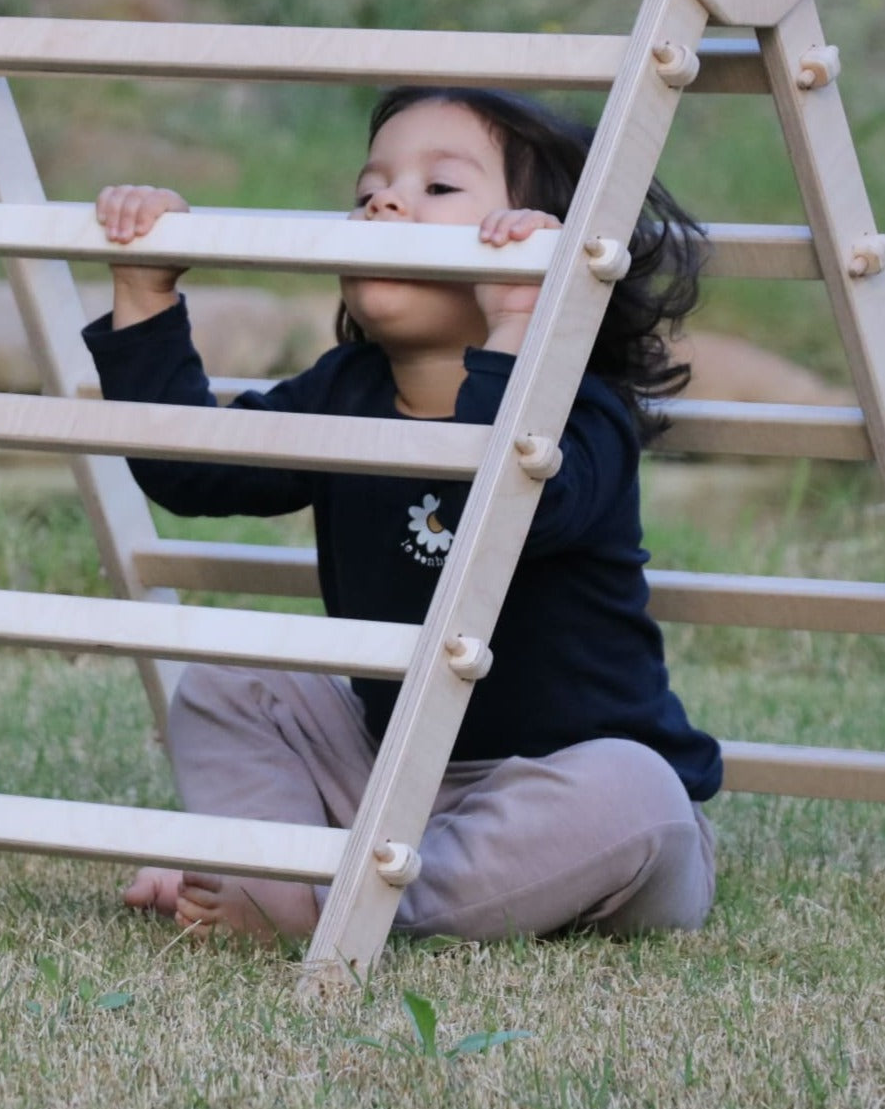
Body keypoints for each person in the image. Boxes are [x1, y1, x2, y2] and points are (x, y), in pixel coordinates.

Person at [82, 85, 722, 945]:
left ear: (552, 247)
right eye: (368, 190)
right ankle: (279, 876)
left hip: (563, 790)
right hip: (389, 782)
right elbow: (190, 470)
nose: (384, 201)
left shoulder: (579, 411)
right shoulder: (345, 393)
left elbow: (504, 516)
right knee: (231, 689)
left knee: (638, 795)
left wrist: (522, 326)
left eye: (439, 188)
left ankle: (331, 906)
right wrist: (145, 293)